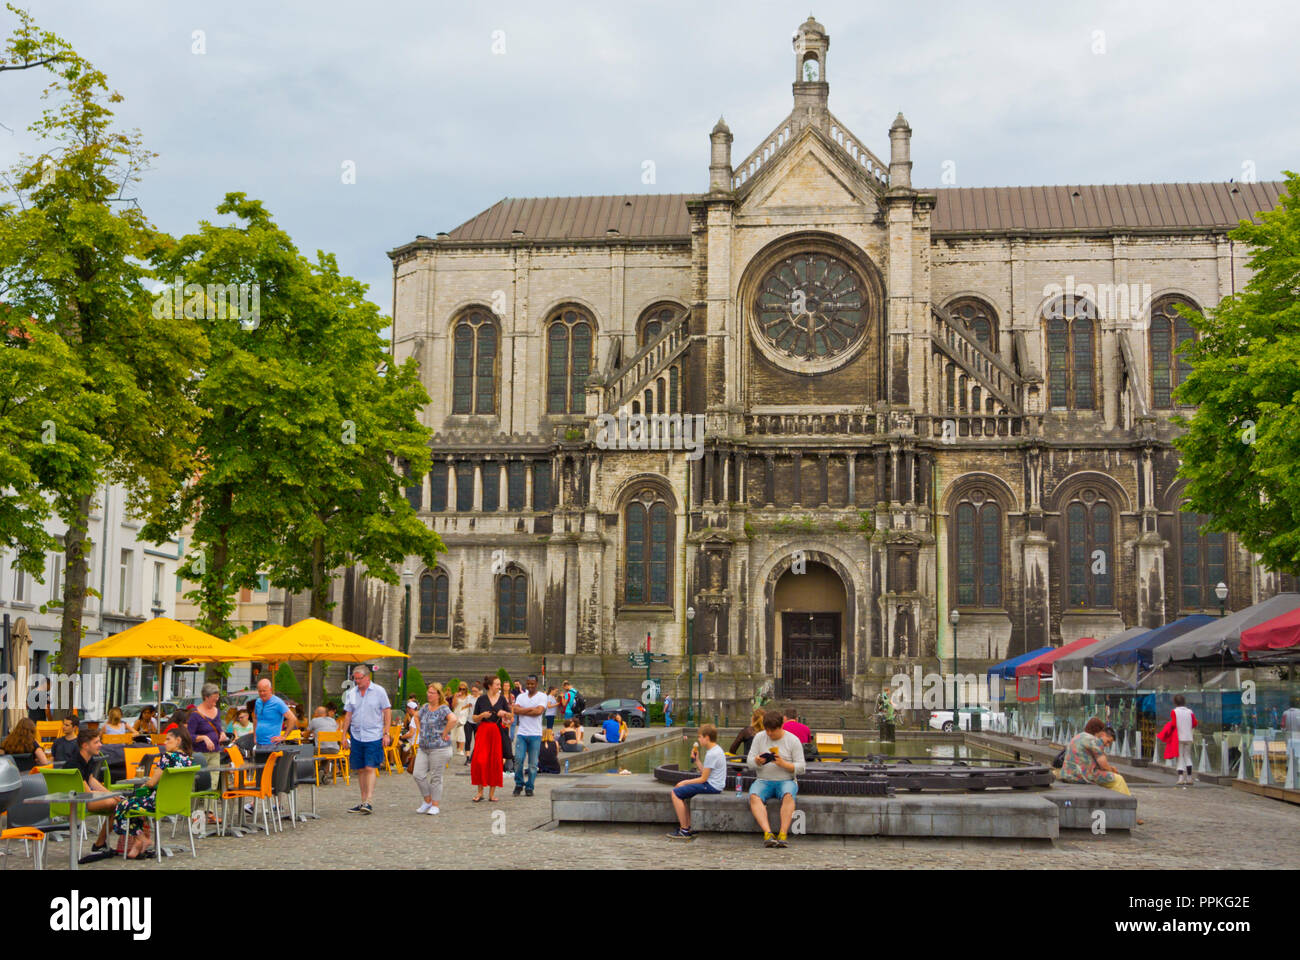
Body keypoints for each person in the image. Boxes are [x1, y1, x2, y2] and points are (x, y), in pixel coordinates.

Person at [109, 726, 197, 858]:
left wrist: (145, 783)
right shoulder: (188, 760)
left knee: (122, 805)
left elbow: (152, 783)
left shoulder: (167, 757)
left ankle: (141, 838)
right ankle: (141, 842)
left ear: (178, 740)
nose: (165, 742)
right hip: (179, 803)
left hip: (158, 803)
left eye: (168, 739)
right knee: (134, 804)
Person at [746, 709, 806, 849]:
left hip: (786, 780)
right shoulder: (759, 737)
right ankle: (768, 834)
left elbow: (802, 767)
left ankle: (783, 834)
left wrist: (784, 764)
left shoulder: (793, 740)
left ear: (781, 727)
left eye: (773, 730)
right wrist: (757, 761)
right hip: (763, 779)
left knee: (788, 795)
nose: (770, 734)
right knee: (754, 796)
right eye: (767, 730)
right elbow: (749, 763)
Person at [340, 665, 392, 815]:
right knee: (361, 769)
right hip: (357, 735)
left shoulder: (379, 691)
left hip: (374, 734)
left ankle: (369, 800)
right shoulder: (352, 693)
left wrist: (386, 732)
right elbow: (348, 715)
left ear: (367, 677)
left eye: (359, 678)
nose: (357, 681)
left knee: (370, 767)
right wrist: (344, 735)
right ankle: (363, 801)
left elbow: (387, 711)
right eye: (355, 679)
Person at [667, 724, 726, 840]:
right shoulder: (717, 749)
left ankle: (684, 829)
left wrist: (684, 782)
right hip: (714, 784)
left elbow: (703, 779)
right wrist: (697, 761)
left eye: (700, 737)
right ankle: (688, 827)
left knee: (676, 793)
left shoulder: (712, 754)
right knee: (681, 793)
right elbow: (706, 773)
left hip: (711, 786)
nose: (698, 740)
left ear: (707, 737)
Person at [412, 682, 458, 815]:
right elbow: (416, 716)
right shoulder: (425, 707)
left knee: (436, 777)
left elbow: (453, 719)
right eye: (428, 692)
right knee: (418, 774)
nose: (429, 694)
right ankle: (427, 800)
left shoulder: (443, 708)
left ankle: (435, 804)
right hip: (424, 747)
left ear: (438, 695)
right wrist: (419, 729)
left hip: (439, 748)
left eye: (432, 693)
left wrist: (445, 733)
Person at [1060, 717, 1132, 796]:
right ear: (1102, 732)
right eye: (1108, 741)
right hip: (1081, 776)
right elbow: (1103, 765)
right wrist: (1112, 770)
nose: (1107, 745)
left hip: (1067, 774)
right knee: (1118, 779)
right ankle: (1127, 801)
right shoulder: (1094, 740)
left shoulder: (1078, 736)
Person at [470, 675, 512, 802]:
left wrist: (504, 714)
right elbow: (474, 718)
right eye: (497, 684)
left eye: (500, 684)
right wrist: (482, 715)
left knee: (495, 761)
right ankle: (480, 792)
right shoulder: (481, 699)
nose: (499, 687)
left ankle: (492, 794)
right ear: (490, 685)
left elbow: (510, 717)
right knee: (479, 760)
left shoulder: (502, 699)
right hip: (483, 730)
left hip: (496, 731)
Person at [187, 683, 227, 798]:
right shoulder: (195, 715)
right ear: (206, 697)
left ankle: (209, 811)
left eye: (217, 698)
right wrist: (203, 738)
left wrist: (222, 733)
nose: (216, 701)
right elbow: (189, 736)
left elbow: (218, 728)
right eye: (214, 699)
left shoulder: (216, 711)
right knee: (199, 782)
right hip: (200, 754)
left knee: (213, 782)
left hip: (215, 752)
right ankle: (194, 812)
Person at [512, 675, 548, 797]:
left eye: (532, 684)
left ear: (536, 684)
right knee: (518, 760)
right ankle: (519, 783)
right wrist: (531, 709)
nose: (530, 686)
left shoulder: (542, 696)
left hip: (535, 734)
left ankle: (530, 786)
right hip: (522, 733)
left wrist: (523, 710)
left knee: (533, 764)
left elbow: (539, 712)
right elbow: (515, 710)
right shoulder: (521, 696)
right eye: (528, 684)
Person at [252, 677, 296, 746]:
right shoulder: (258, 702)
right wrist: (255, 736)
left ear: (270, 690)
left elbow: (292, 718)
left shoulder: (278, 702)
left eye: (264, 691)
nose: (262, 693)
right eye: (260, 691)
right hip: (259, 743)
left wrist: (284, 736)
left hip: (272, 744)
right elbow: (255, 718)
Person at [1169, 694, 1199, 786]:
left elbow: (1173, 724)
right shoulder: (1190, 711)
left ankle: (1181, 777)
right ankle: (1189, 777)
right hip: (1188, 736)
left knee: (1180, 757)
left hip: (1179, 737)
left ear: (1175, 702)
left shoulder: (1174, 712)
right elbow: (1194, 723)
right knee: (1187, 756)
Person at [463, 681, 482, 765]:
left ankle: (473, 756)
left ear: (479, 691)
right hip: (468, 720)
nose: (474, 692)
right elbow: (462, 708)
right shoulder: (469, 697)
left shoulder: (481, 698)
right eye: (473, 691)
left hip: (477, 722)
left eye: (475, 691)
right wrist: (467, 705)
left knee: (477, 740)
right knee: (468, 739)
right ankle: (467, 758)